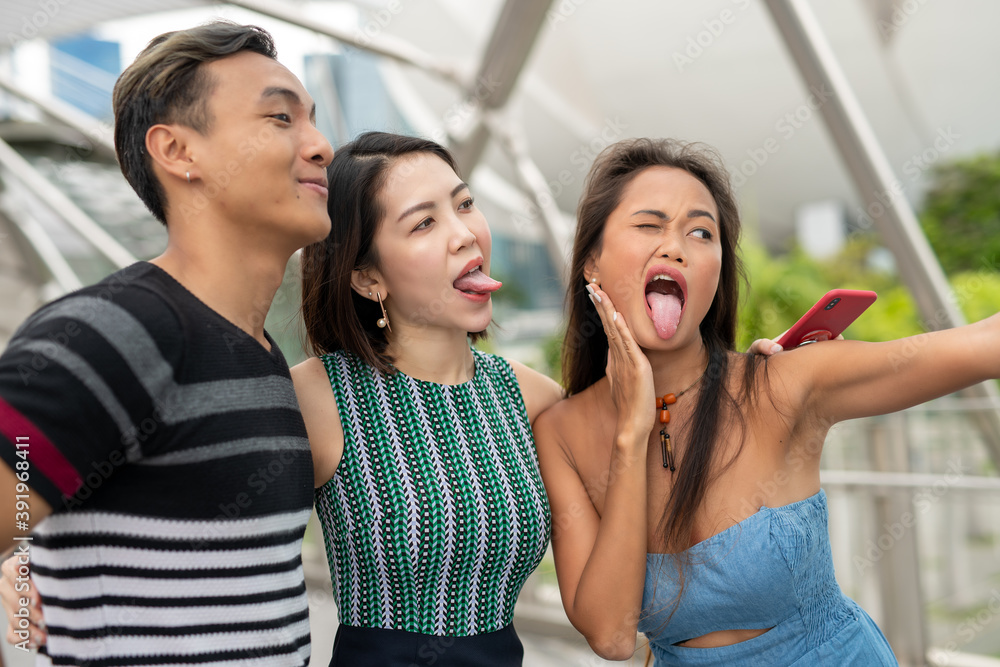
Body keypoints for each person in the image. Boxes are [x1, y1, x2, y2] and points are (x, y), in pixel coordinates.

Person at [532, 136, 998, 665]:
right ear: (591, 261)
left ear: (717, 271)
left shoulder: (778, 385)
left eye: (701, 232)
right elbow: (611, 637)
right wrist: (631, 435)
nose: (676, 246)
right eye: (649, 224)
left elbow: (981, 346)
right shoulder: (563, 433)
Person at [0, 21, 334, 665]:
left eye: (313, 120)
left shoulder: (263, 357)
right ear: (179, 151)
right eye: (280, 119)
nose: (321, 146)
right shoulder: (122, 329)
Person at [290, 131, 564, 666]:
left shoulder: (534, 397)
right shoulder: (316, 396)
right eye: (424, 222)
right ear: (368, 278)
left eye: (464, 205)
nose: (465, 234)